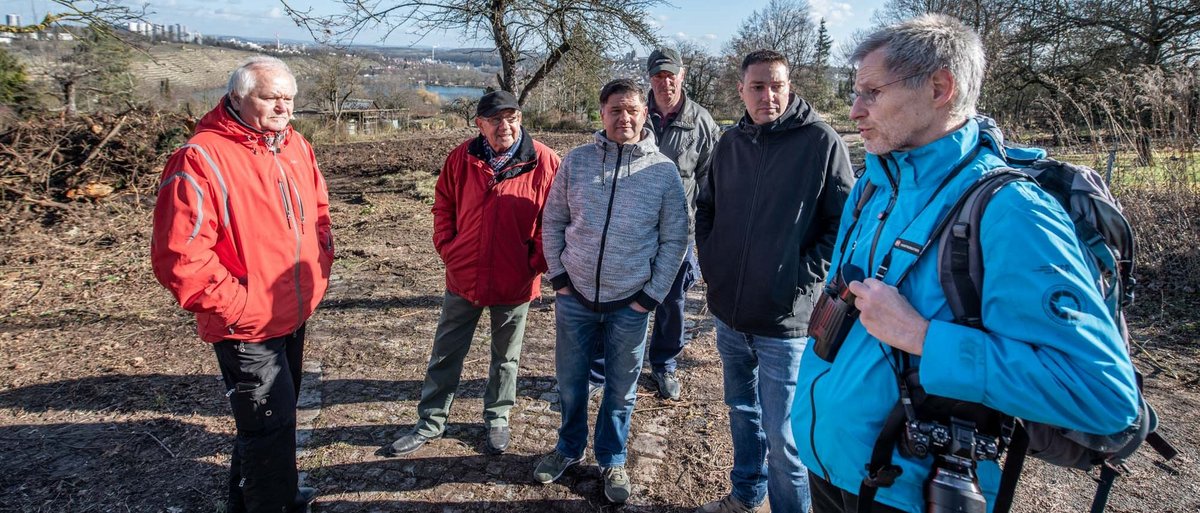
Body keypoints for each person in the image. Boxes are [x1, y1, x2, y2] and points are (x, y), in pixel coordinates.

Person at [792, 14, 1140, 513]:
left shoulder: (1011, 211)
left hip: (908, 495)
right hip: (829, 469)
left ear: (939, 87)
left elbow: (1101, 396)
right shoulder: (872, 185)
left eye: (871, 92)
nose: (855, 109)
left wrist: (921, 337)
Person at [151, 55, 331, 513]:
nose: (282, 107)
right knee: (268, 424)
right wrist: (239, 306)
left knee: (270, 421)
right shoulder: (201, 157)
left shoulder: (296, 146)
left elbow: (320, 214)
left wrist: (321, 264)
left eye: (288, 98)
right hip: (248, 324)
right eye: (269, 97)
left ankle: (267, 497)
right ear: (236, 97)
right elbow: (180, 257)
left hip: (292, 310)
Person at [695, 49, 854, 513]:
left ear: (790, 86)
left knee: (786, 436)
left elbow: (840, 226)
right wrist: (714, 265)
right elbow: (707, 208)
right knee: (742, 415)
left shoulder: (821, 142)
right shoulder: (730, 143)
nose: (769, 95)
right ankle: (746, 494)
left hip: (785, 320)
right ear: (741, 90)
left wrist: (801, 281)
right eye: (758, 86)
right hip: (730, 312)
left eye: (777, 85)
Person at [534, 78, 689, 504]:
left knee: (621, 389)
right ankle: (567, 447)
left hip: (631, 303)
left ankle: (612, 456)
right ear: (602, 114)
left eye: (632, 110)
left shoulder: (663, 171)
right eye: (615, 110)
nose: (624, 118)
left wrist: (650, 296)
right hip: (575, 297)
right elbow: (553, 221)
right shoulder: (578, 161)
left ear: (644, 114)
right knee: (570, 382)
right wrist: (559, 278)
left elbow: (675, 239)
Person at [386, 90, 560, 457]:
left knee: (506, 357)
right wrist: (449, 249)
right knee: (447, 352)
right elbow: (443, 206)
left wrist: (535, 261)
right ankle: (431, 420)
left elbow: (555, 218)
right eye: (495, 119)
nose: (504, 126)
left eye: (511, 117)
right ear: (479, 125)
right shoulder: (461, 158)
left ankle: (498, 417)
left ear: (521, 119)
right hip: (464, 276)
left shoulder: (544, 162)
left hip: (516, 279)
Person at [586, 47, 720, 401]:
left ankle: (664, 364)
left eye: (670, 74)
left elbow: (712, 183)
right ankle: (600, 369)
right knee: (613, 300)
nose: (665, 82)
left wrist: (704, 238)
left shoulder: (701, 122)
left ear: (682, 74)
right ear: (650, 79)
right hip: (627, 232)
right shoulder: (633, 112)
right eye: (658, 76)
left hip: (678, 234)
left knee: (672, 302)